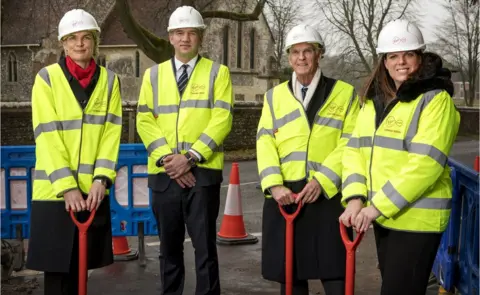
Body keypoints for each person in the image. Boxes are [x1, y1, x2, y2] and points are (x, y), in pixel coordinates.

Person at [339, 19, 460, 295]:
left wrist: (375, 206)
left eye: (408, 54)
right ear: (384, 61)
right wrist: (355, 198)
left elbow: (425, 165)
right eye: (393, 56)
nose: (401, 62)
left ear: (420, 57)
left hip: (416, 222)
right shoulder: (374, 101)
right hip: (385, 218)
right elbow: (355, 150)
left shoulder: (434, 99)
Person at [256, 24, 361, 295]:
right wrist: (274, 185)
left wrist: (324, 180)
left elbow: (351, 142)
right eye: (295, 52)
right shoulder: (273, 96)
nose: (301, 58)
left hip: (327, 196)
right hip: (286, 196)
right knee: (291, 278)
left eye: (308, 51)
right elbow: (265, 141)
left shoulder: (345, 93)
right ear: (289, 57)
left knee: (335, 272)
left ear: (319, 54)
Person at [136, 5, 233, 295]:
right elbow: (144, 119)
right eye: (179, 33)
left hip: (201, 175)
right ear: (170, 37)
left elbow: (222, 118)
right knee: (169, 250)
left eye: (192, 33)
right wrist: (170, 160)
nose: (185, 38)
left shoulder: (219, 73)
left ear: (201, 37)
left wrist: (190, 158)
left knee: (205, 250)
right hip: (165, 175)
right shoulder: (152, 76)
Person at [26, 8, 122, 295]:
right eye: (72, 38)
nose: (79, 44)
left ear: (94, 41)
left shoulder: (109, 81)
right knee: (57, 280)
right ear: (63, 44)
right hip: (55, 194)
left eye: (86, 37)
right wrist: (67, 187)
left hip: (92, 193)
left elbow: (111, 133)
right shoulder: (47, 79)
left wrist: (101, 180)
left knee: (82, 273)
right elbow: (47, 134)